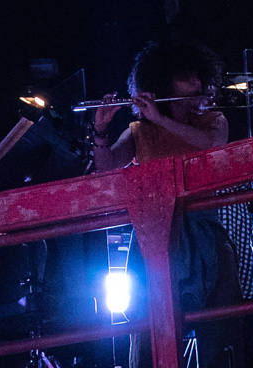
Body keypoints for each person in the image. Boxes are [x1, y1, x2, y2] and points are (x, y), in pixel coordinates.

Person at [93, 40, 232, 329]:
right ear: (163, 82)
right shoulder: (139, 132)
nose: (194, 82)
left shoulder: (213, 121)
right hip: (154, 234)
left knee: (220, 325)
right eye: (184, 75)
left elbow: (210, 144)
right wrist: (101, 130)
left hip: (204, 233)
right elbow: (107, 166)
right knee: (150, 329)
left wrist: (159, 118)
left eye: (196, 74)